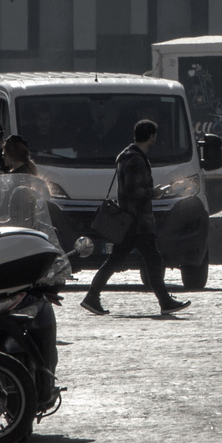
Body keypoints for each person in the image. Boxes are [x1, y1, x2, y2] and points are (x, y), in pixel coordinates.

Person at [82, 120, 191, 316]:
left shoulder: (127, 156)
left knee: (119, 260)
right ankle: (165, 301)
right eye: (154, 136)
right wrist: (153, 193)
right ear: (150, 136)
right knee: (152, 259)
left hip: (132, 221)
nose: (155, 140)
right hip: (137, 223)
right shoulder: (136, 160)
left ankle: (92, 296)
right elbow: (133, 191)